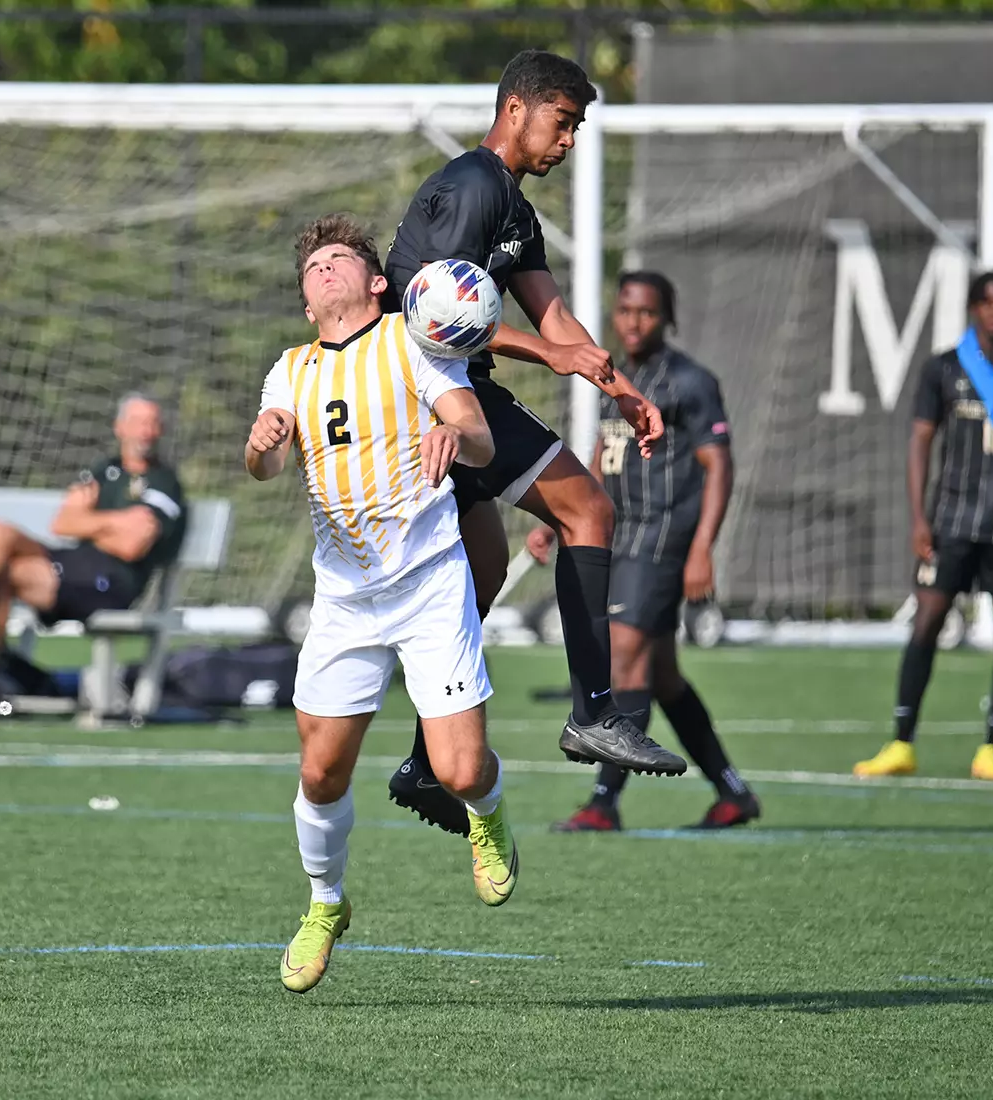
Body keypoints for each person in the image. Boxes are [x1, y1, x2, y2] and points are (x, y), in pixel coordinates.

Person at [381, 48, 685, 836]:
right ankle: (594, 712)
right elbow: (429, 316)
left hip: (455, 400)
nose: (570, 140)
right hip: (436, 401)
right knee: (588, 512)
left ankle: (425, 762)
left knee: (477, 580)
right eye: (564, 120)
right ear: (516, 108)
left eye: (578, 125)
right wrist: (553, 356)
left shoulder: (512, 207)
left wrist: (623, 393)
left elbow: (553, 317)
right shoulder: (474, 185)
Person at [248, 214, 512, 994]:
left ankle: (488, 817)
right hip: (344, 598)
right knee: (321, 772)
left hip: (430, 580)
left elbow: (478, 433)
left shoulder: (409, 340)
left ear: (376, 282)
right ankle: (326, 905)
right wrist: (263, 444)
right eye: (314, 265)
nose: (325, 268)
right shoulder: (290, 368)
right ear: (305, 300)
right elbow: (261, 468)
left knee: (461, 772)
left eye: (341, 260)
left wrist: (453, 435)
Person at [535, 272, 761, 832]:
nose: (634, 322)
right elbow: (603, 453)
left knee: (626, 660)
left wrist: (703, 548)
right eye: (626, 311)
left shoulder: (691, 380)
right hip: (621, 536)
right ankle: (733, 793)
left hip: (662, 540)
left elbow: (719, 465)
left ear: (667, 318)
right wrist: (558, 514)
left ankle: (603, 804)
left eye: (647, 313)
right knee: (662, 677)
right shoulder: (618, 375)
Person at [855, 271, 993, 782]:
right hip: (952, 520)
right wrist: (919, 517)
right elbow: (921, 441)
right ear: (972, 308)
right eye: (987, 302)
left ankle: (992, 746)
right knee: (927, 622)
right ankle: (901, 742)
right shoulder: (945, 369)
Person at [0, 394, 187, 722]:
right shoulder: (105, 471)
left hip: (110, 583)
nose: (146, 431)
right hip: (74, 566)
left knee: (5, 572)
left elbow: (131, 547)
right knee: (1, 534)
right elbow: (63, 522)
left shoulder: (164, 483)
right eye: (139, 422)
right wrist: (118, 521)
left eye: (153, 423)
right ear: (120, 427)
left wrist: (93, 520)